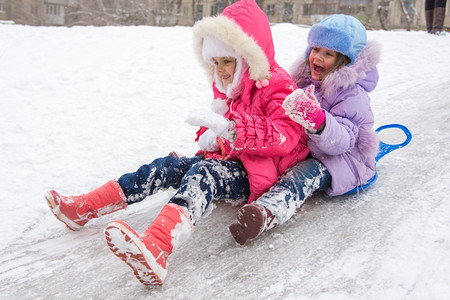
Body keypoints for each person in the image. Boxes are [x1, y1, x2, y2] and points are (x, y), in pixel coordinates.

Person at [44, 0, 309, 287]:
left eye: (227, 61)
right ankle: (85, 208)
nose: (220, 70)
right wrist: (213, 136)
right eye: (215, 63)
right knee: (166, 166)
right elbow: (222, 131)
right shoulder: (230, 87)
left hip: (260, 174)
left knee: (203, 175)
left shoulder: (278, 86)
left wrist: (231, 130)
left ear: (247, 56)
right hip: (231, 159)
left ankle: (158, 245)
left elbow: (285, 136)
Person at [228, 14, 381, 245]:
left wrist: (317, 120)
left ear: (344, 61)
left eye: (328, 54)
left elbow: (341, 143)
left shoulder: (352, 94)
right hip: (307, 149)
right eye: (315, 49)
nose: (317, 57)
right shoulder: (303, 81)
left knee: (304, 174)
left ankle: (268, 212)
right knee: (266, 156)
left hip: (342, 159)